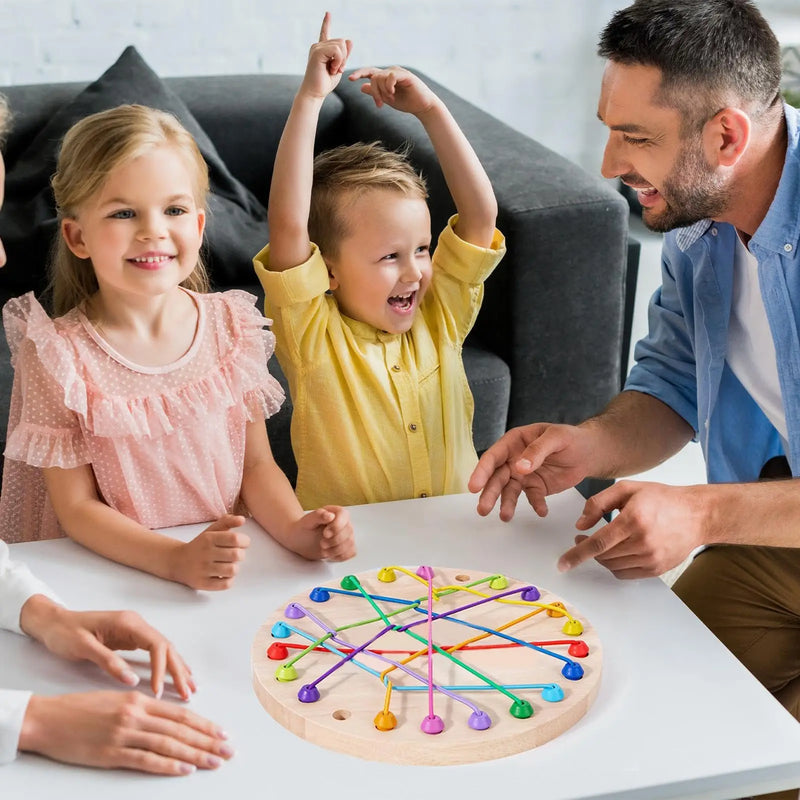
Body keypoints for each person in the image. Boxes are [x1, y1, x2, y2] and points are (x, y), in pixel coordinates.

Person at [471, 2, 798, 797]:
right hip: (774, 540)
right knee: (645, 739)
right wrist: (587, 445)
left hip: (751, 523)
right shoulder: (696, 228)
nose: (609, 161)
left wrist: (702, 514)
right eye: (610, 128)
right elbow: (673, 386)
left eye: (638, 138)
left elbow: (708, 508)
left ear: (727, 137)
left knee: (753, 771)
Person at [0, 103, 355, 586]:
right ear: (77, 237)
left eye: (174, 210)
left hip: (218, 568)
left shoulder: (233, 328)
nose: (153, 231)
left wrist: (296, 531)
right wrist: (175, 560)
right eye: (124, 212)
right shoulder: (59, 357)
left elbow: (255, 465)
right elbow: (77, 509)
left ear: (199, 225)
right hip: (117, 574)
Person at [255, 13, 506, 509]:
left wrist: (431, 110)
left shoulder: (440, 316)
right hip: (352, 556)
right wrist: (310, 99)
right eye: (390, 256)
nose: (414, 271)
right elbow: (287, 226)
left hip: (453, 538)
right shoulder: (311, 337)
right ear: (328, 270)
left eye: (421, 248)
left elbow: (481, 215)